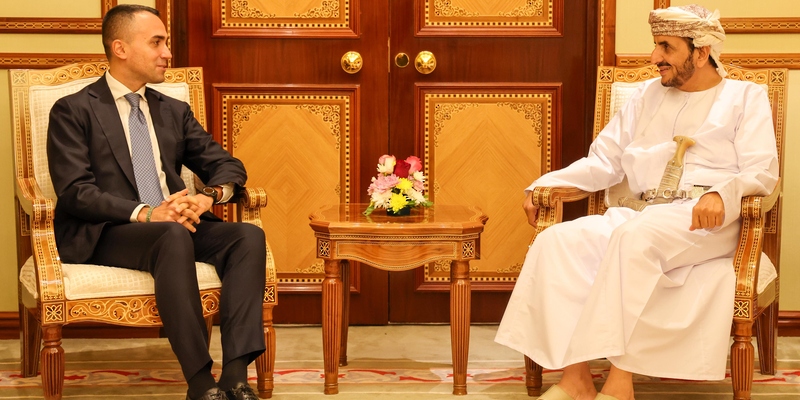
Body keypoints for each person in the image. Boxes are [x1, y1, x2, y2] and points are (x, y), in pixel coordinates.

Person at [494, 4, 779, 400]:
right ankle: (576, 380)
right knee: (557, 240)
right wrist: (545, 184)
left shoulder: (745, 97)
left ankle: (619, 384)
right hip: (644, 211)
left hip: (707, 221)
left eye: (667, 47)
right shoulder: (645, 96)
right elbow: (604, 162)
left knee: (634, 237)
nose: (655, 56)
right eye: (655, 45)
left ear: (701, 52)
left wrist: (722, 193)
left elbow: (762, 170)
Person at [47, 5, 265, 400]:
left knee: (247, 238)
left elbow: (227, 165)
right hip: (110, 232)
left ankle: (235, 377)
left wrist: (206, 197)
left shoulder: (172, 110)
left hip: (174, 226)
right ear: (121, 48)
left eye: (166, 43)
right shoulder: (74, 110)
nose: (168, 52)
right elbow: (76, 191)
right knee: (170, 235)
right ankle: (201, 381)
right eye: (157, 43)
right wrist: (147, 213)